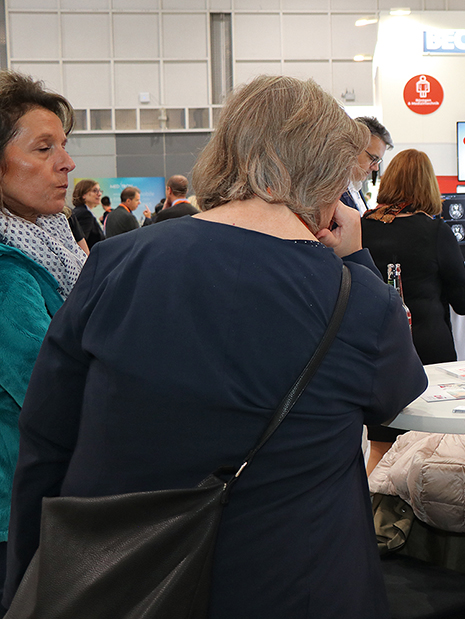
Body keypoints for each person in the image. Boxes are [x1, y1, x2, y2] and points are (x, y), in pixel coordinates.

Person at [4, 75, 427, 618]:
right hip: (299, 579)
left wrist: (27, 584)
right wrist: (356, 259)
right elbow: (398, 395)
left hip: (125, 578)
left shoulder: (117, 262)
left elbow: (47, 438)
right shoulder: (357, 299)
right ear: (325, 176)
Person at [0, 69, 83, 593]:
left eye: (65, 146)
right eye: (44, 147)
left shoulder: (44, 246)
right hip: (14, 508)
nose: (67, 162)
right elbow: (48, 393)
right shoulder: (9, 275)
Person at [360, 148, 465, 472]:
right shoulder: (436, 231)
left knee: (380, 450)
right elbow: (463, 304)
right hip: (428, 352)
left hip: (376, 351)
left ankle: (376, 521)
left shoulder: (361, 226)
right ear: (428, 186)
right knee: (433, 447)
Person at [340, 116, 392, 214]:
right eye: (373, 159)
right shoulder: (332, 191)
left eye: (378, 161)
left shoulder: (355, 188)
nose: (376, 168)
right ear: (353, 147)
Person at [71, 179, 105, 249]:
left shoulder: (79, 211)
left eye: (99, 191)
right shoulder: (85, 214)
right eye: (95, 191)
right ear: (83, 195)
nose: (99, 194)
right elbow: (81, 243)